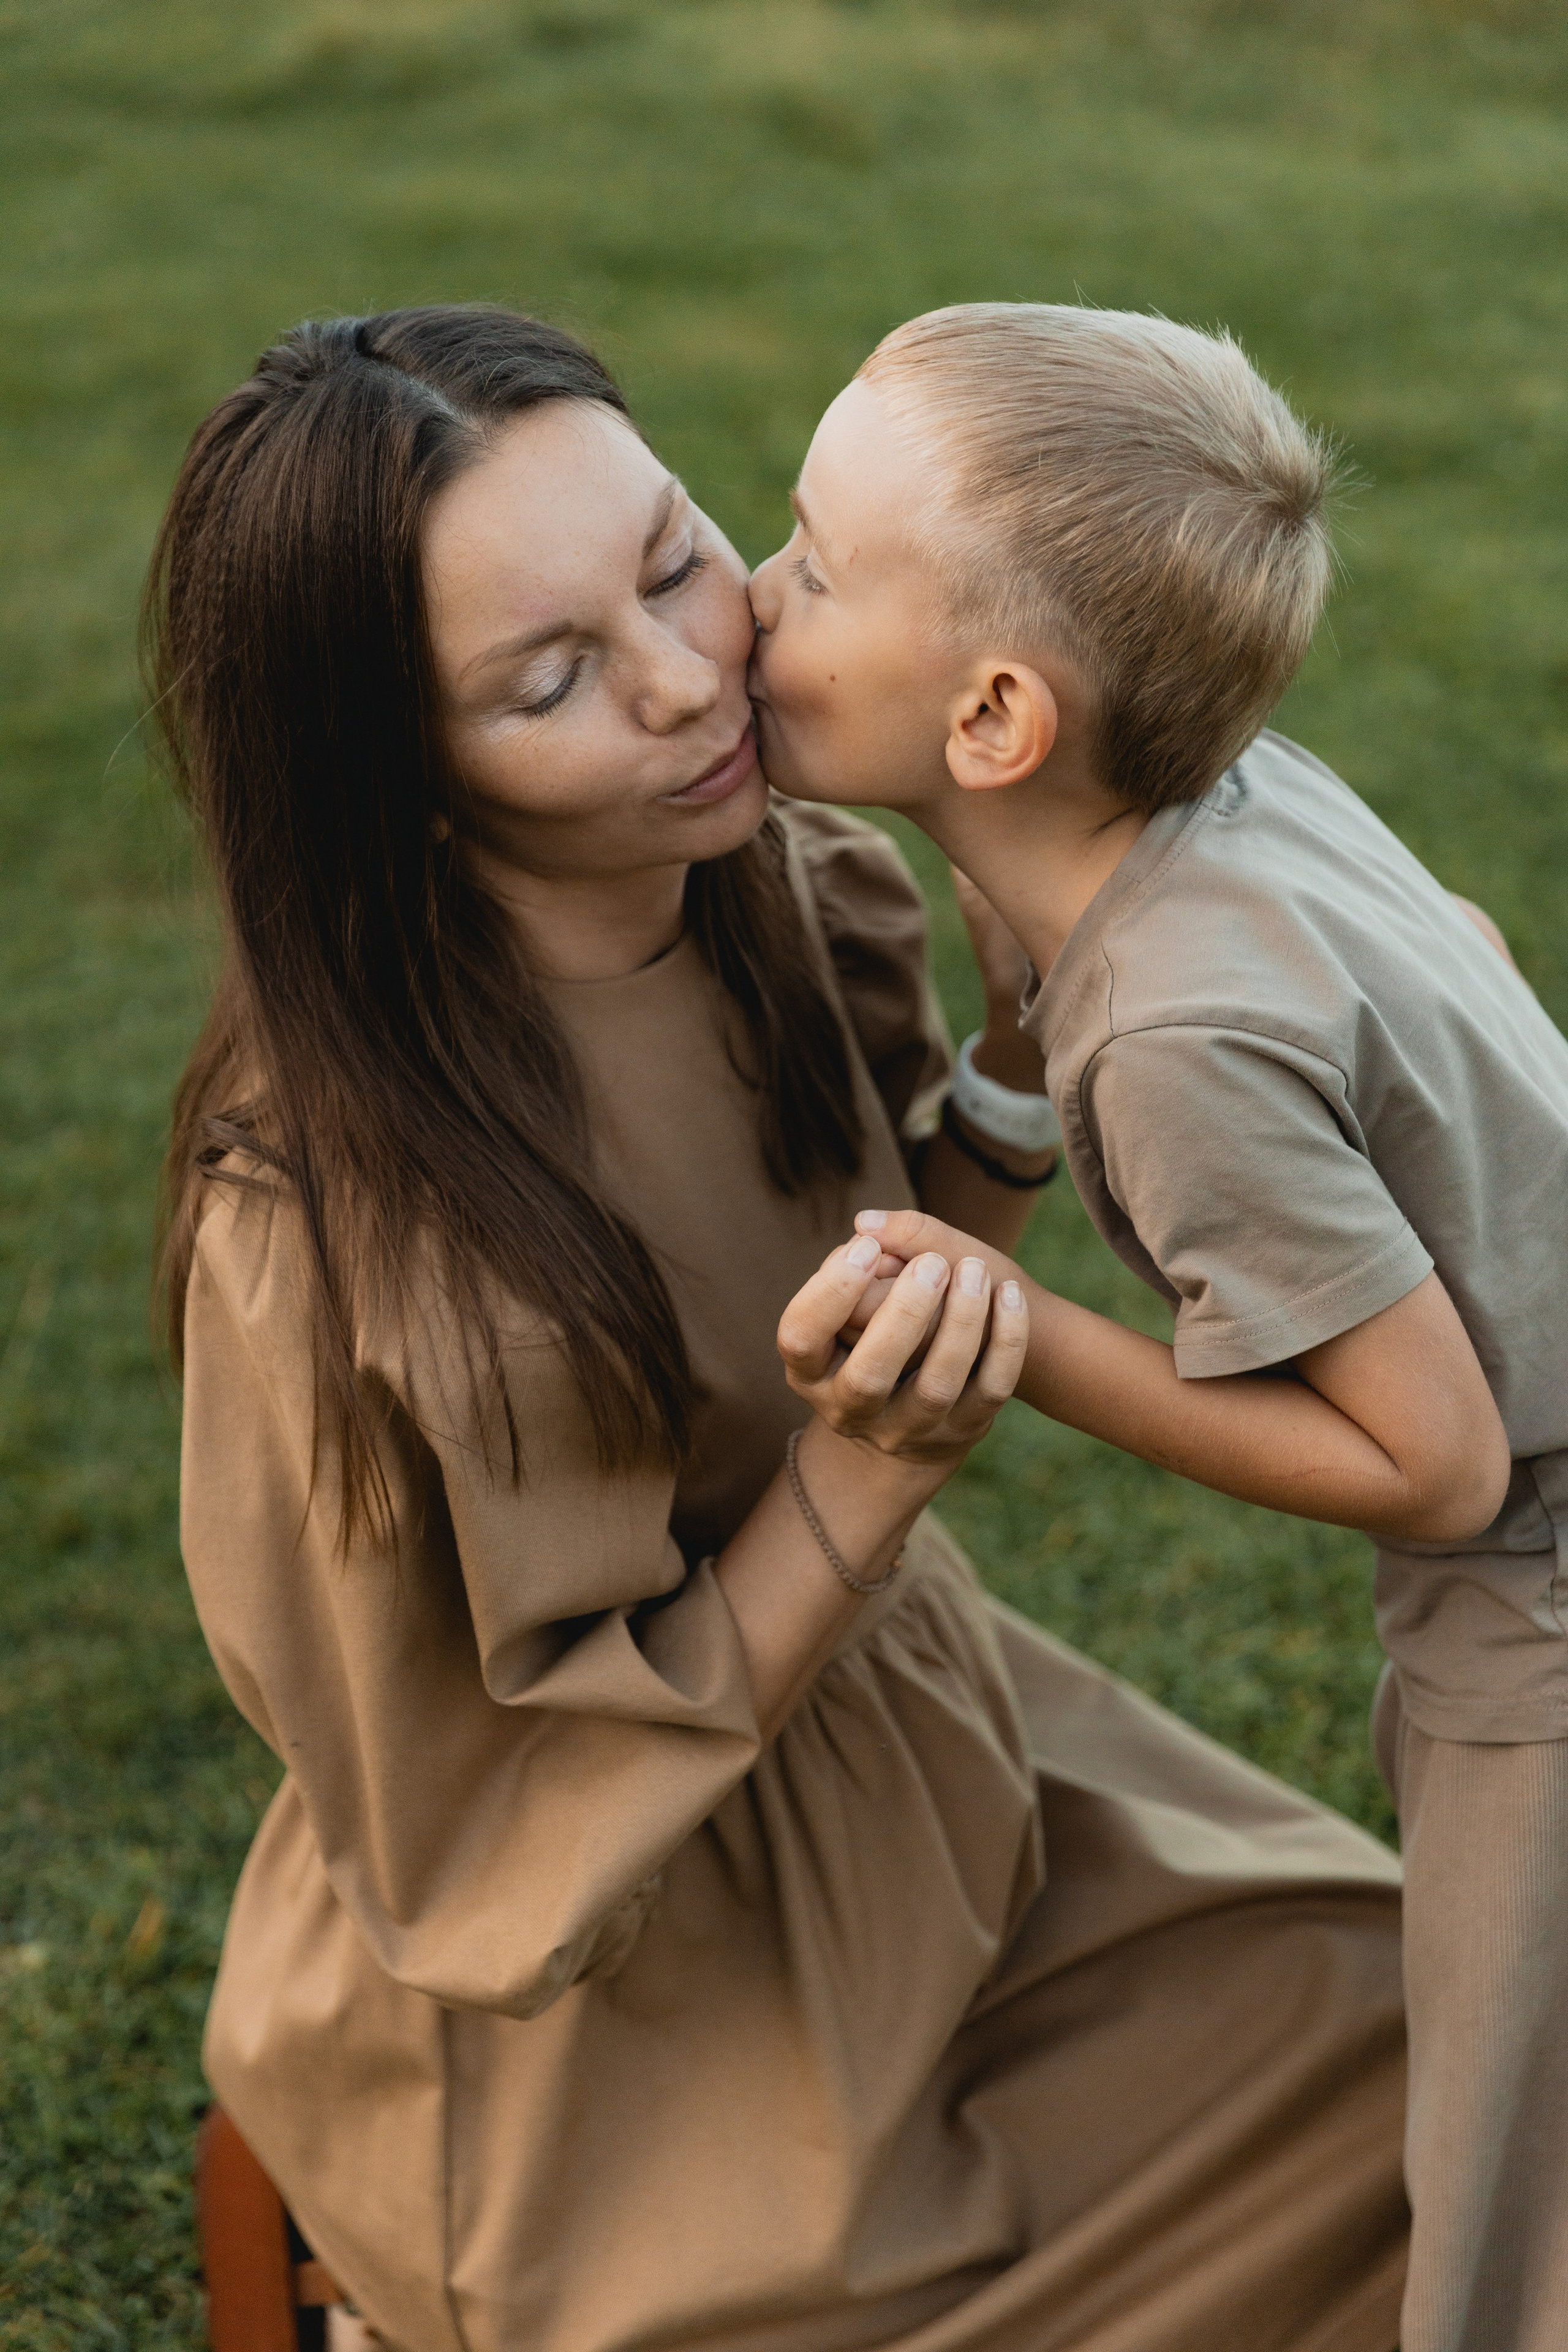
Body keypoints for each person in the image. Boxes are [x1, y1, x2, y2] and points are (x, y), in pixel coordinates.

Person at [156, 304, 1408, 2351]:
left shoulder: (777, 881)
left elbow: (875, 1260)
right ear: (396, 774)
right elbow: (488, 1840)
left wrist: (1006, 1075)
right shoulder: (333, 1233)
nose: (682, 686)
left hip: (921, 1760)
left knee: (1461, 2033)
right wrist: (865, 1472)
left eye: (671, 561)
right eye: (549, 680)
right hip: (637, 2003)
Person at [748, 300, 1568, 2352]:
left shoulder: (1183, 1028)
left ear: (998, 720)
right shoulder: (1234, 796)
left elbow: (1438, 1462)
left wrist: (1020, 1325)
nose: (751, 598)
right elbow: (1453, 950)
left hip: (1542, 1622)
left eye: (813, 565)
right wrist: (1022, 1036)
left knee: (1515, 2227)